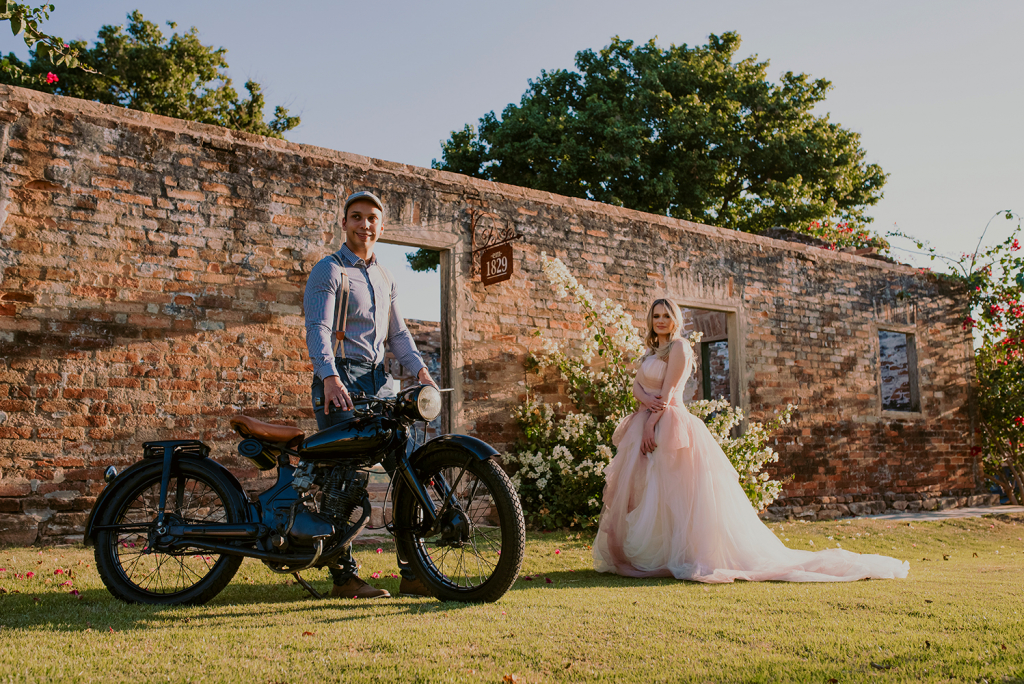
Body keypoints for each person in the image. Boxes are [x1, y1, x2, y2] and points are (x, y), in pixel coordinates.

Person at [592, 298, 909, 582]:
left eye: (666, 315)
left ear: (675, 320)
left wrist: (652, 423)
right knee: (650, 493)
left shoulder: (679, 348)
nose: (660, 320)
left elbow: (670, 392)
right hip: (646, 420)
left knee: (675, 491)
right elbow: (636, 385)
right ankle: (654, 553)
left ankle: (685, 554)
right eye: (656, 315)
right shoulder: (651, 351)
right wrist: (644, 405)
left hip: (670, 424)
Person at [304, 190, 438, 599]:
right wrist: (328, 377)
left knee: (408, 471)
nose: (365, 225)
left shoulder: (386, 276)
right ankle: (343, 577)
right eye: (357, 217)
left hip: (380, 382)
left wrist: (419, 370)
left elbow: (398, 333)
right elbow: (318, 330)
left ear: (381, 226)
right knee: (347, 475)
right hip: (341, 378)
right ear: (343, 224)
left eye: (372, 219)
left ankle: (412, 572)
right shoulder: (329, 270)